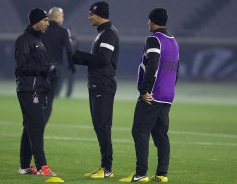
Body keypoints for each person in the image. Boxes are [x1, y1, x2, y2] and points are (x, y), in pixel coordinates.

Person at [119, 8, 179, 183]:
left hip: (152, 95)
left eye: (148, 20)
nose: (147, 23)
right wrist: (171, 92)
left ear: (152, 21)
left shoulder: (154, 39)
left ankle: (141, 173)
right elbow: (176, 70)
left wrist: (145, 90)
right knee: (161, 135)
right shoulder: (174, 41)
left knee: (139, 131)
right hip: (167, 95)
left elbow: (152, 65)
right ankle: (162, 174)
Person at [72, 1, 119, 179]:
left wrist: (77, 56)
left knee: (103, 126)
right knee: (100, 126)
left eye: (91, 14)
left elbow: (102, 59)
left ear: (99, 15)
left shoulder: (108, 33)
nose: (88, 17)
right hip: (97, 85)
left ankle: (107, 169)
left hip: (103, 86)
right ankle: (104, 166)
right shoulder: (103, 33)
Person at [14, 8, 57, 176]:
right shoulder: (24, 39)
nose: (48, 23)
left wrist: (47, 73)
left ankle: (25, 166)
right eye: (45, 20)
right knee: (37, 127)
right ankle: (42, 167)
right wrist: (46, 68)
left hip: (37, 90)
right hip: (29, 90)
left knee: (30, 127)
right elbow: (22, 66)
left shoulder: (37, 40)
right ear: (36, 21)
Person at [41, 7, 76, 99]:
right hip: (56, 68)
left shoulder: (41, 30)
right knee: (53, 95)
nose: (63, 19)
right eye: (62, 16)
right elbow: (69, 50)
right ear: (57, 17)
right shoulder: (63, 31)